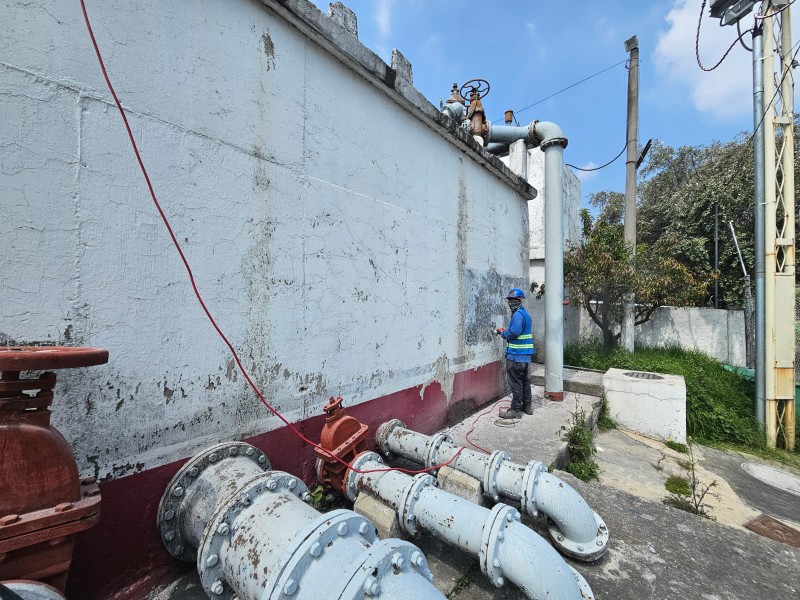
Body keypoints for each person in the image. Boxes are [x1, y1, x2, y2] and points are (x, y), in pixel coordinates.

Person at [495, 288, 535, 419]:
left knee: (515, 383)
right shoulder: (525, 315)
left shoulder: (517, 315)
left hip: (516, 356)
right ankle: (527, 406)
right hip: (525, 356)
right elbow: (519, 331)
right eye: (510, 300)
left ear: (520, 300)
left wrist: (503, 333)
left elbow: (513, 333)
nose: (511, 303)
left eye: (514, 300)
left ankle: (515, 410)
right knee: (524, 381)